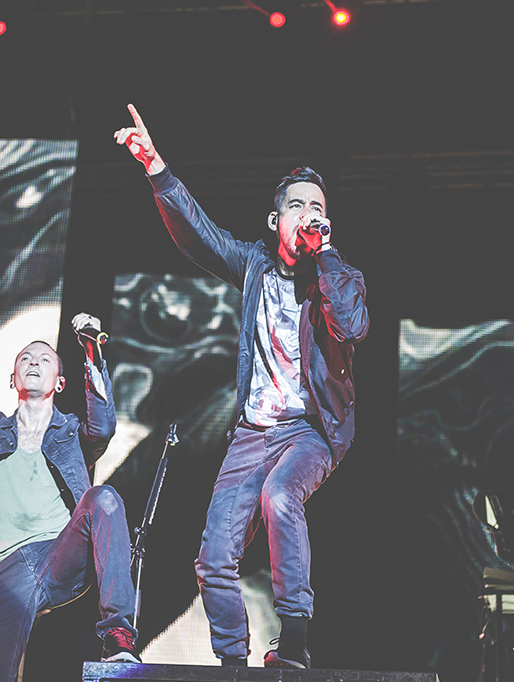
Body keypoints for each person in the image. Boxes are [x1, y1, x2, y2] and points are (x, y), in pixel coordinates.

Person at [115, 104, 369, 669]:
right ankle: (233, 665)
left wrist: (325, 257)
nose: (309, 214)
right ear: (275, 220)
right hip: (252, 434)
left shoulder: (339, 276)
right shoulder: (254, 265)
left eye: (318, 208)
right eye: (298, 206)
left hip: (309, 432)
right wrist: (157, 168)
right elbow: (199, 236)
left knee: (281, 497)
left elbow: (351, 326)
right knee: (212, 560)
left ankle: (294, 638)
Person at [0, 292, 139, 682]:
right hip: (4, 569)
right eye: (26, 359)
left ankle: (119, 636)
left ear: (60, 382)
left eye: (45, 359)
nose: (34, 362)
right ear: (12, 379)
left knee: (104, 499)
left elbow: (103, 428)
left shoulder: (71, 433)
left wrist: (91, 350)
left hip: (59, 553)